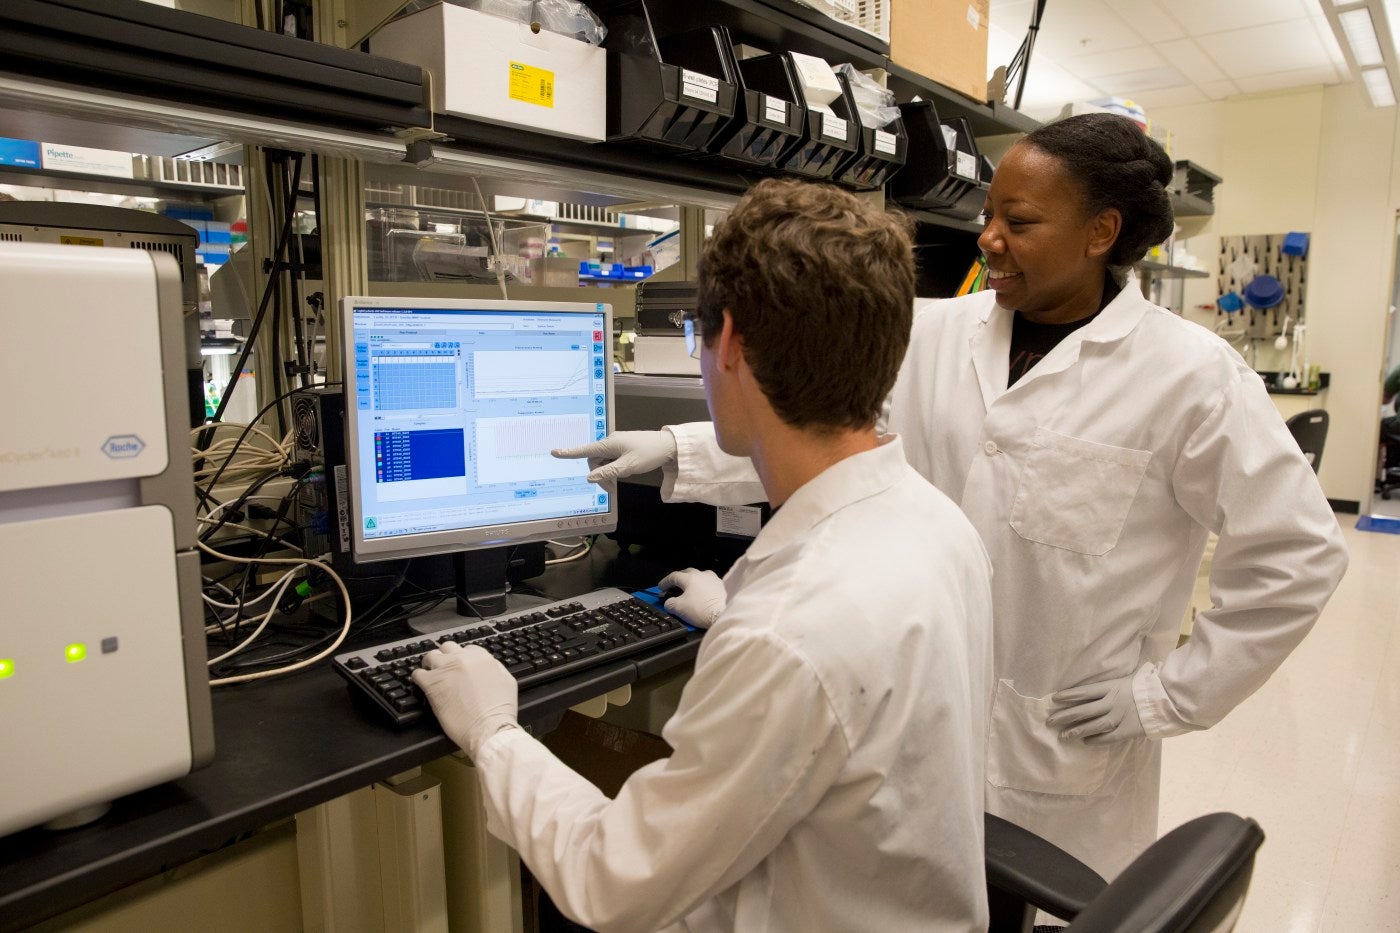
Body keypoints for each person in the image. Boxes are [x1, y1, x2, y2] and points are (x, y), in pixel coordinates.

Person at [559, 113, 1349, 879]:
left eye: (1020, 220)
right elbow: (825, 424)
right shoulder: (936, 331)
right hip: (917, 713)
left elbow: (1299, 554)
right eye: (987, 214)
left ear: (1100, 233)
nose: (989, 238)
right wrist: (678, 448)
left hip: (1057, 756)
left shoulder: (1192, 377)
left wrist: (1166, 695)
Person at [414, 178, 995, 931]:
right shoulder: (939, 525)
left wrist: (491, 729)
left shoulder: (791, 636)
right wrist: (735, 613)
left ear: (729, 346)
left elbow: (610, 881)